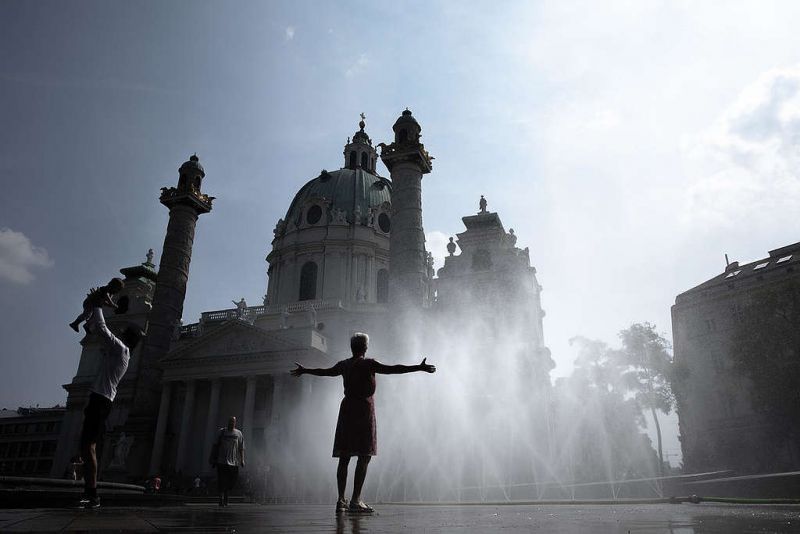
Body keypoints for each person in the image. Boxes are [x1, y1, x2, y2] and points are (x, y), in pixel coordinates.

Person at [291, 332, 436, 514]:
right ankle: (355, 500)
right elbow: (394, 369)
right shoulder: (369, 364)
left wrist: (305, 370)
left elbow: (325, 372)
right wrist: (418, 367)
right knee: (364, 455)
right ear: (365, 348)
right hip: (363, 411)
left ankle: (340, 500)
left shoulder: (344, 365)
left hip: (347, 410)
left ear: (352, 348)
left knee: (344, 457)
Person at [76, 306, 142, 508]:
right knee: (88, 447)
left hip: (101, 399)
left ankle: (93, 493)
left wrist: (99, 304)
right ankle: (90, 490)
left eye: (122, 333)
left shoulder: (121, 350)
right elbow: (98, 330)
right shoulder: (122, 353)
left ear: (127, 338)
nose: (119, 333)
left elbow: (104, 328)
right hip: (101, 399)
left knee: (89, 447)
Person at [210, 416, 245, 507]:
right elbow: (215, 445)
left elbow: (241, 448)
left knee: (232, 481)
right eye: (230, 421)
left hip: (234, 462)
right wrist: (212, 457)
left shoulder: (239, 433)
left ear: (235, 423)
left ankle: (225, 494)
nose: (231, 423)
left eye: (233, 422)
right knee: (222, 480)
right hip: (222, 461)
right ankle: (222, 498)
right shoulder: (222, 432)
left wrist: (242, 459)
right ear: (228, 422)